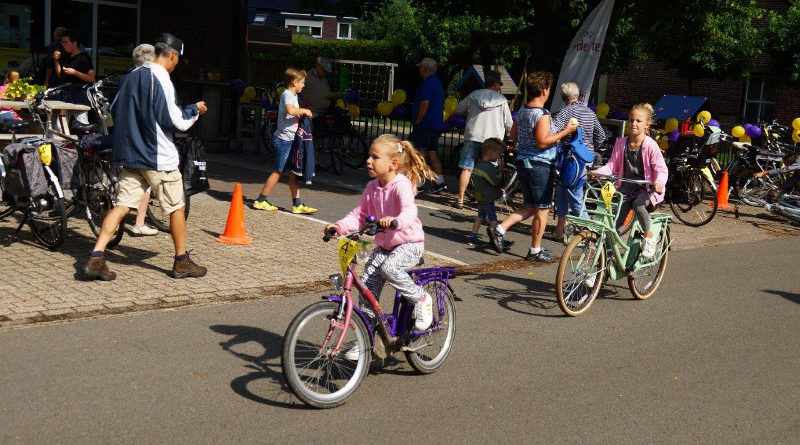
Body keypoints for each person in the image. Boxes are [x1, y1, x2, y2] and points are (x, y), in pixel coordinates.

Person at [82, 33, 208, 281]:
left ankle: (96, 256)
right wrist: (195, 110)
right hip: (157, 156)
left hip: (130, 154)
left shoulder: (132, 75)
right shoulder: (161, 78)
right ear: (171, 55)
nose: (176, 64)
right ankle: (181, 261)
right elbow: (175, 121)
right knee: (176, 207)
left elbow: (114, 110)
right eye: (177, 60)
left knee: (121, 206)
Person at [325, 134, 437, 338]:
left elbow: (409, 211)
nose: (368, 160)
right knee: (367, 286)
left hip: (409, 243)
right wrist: (339, 227)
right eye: (369, 156)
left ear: (393, 164)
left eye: (375, 157)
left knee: (390, 268)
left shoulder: (401, 185)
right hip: (385, 247)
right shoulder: (372, 187)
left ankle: (421, 299)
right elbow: (359, 215)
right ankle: (365, 343)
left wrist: (395, 221)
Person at [490, 71, 577, 261]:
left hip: (523, 163)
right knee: (543, 208)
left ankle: (499, 229)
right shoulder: (542, 115)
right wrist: (565, 132)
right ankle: (535, 250)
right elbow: (543, 142)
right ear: (544, 90)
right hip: (540, 165)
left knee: (530, 206)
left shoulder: (522, 111)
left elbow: (513, 136)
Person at [591, 103, 668, 258]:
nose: (634, 123)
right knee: (614, 225)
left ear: (647, 125)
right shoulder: (621, 143)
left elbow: (661, 169)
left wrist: (659, 182)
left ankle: (649, 237)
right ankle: (606, 260)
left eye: (638, 121)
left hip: (645, 189)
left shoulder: (650, 145)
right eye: (631, 120)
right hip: (625, 188)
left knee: (639, 206)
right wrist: (597, 172)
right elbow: (612, 166)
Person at [253, 68, 318, 214]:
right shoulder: (287, 94)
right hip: (283, 140)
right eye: (302, 83)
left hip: (291, 139)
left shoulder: (293, 95)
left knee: (294, 172)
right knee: (278, 171)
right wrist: (303, 111)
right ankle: (261, 200)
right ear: (294, 83)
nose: (304, 85)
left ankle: (297, 204)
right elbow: (290, 110)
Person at [550, 81, 607, 241]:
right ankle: (559, 230)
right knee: (562, 192)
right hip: (585, 158)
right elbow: (601, 136)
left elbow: (553, 131)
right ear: (577, 95)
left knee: (575, 196)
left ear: (563, 97)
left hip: (570, 159)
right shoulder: (590, 112)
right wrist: (589, 147)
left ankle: (590, 232)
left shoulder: (565, 112)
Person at [454, 70, 513, 208]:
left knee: (467, 169)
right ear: (496, 84)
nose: (500, 87)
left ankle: (460, 199)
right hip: (492, 141)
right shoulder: (502, 101)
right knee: (489, 171)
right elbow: (509, 123)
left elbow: (458, 110)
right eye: (499, 84)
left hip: (473, 136)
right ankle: (485, 201)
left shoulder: (473, 95)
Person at [128, 43, 160, 237]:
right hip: (144, 140)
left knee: (130, 183)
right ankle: (139, 223)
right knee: (149, 183)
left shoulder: (129, 77)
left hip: (126, 139)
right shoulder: (151, 78)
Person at [411, 57, 447, 192]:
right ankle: (440, 182)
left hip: (425, 124)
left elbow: (424, 103)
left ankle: (418, 184)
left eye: (420, 67)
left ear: (425, 69)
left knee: (419, 154)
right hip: (435, 124)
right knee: (433, 153)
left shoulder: (427, 83)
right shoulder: (437, 83)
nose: (419, 70)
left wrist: (418, 120)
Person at [466, 138, 505, 246]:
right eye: (498, 154)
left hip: (480, 195)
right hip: (487, 197)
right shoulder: (488, 168)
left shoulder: (478, 165)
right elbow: (495, 181)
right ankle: (495, 237)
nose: (499, 157)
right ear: (490, 152)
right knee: (493, 218)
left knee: (480, 216)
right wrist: (500, 171)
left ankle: (473, 234)